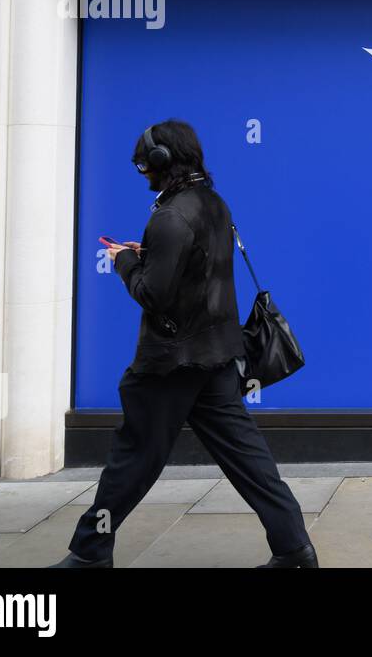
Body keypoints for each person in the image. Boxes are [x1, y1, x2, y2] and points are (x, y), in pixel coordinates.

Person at [49, 120, 317, 568]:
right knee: (248, 458)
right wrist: (151, 257)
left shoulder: (171, 215)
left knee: (134, 457)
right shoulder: (213, 203)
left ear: (162, 161)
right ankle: (295, 549)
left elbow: (154, 295)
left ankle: (90, 553)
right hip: (216, 356)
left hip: (173, 362)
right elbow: (197, 272)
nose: (142, 173)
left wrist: (127, 261)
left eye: (143, 164)